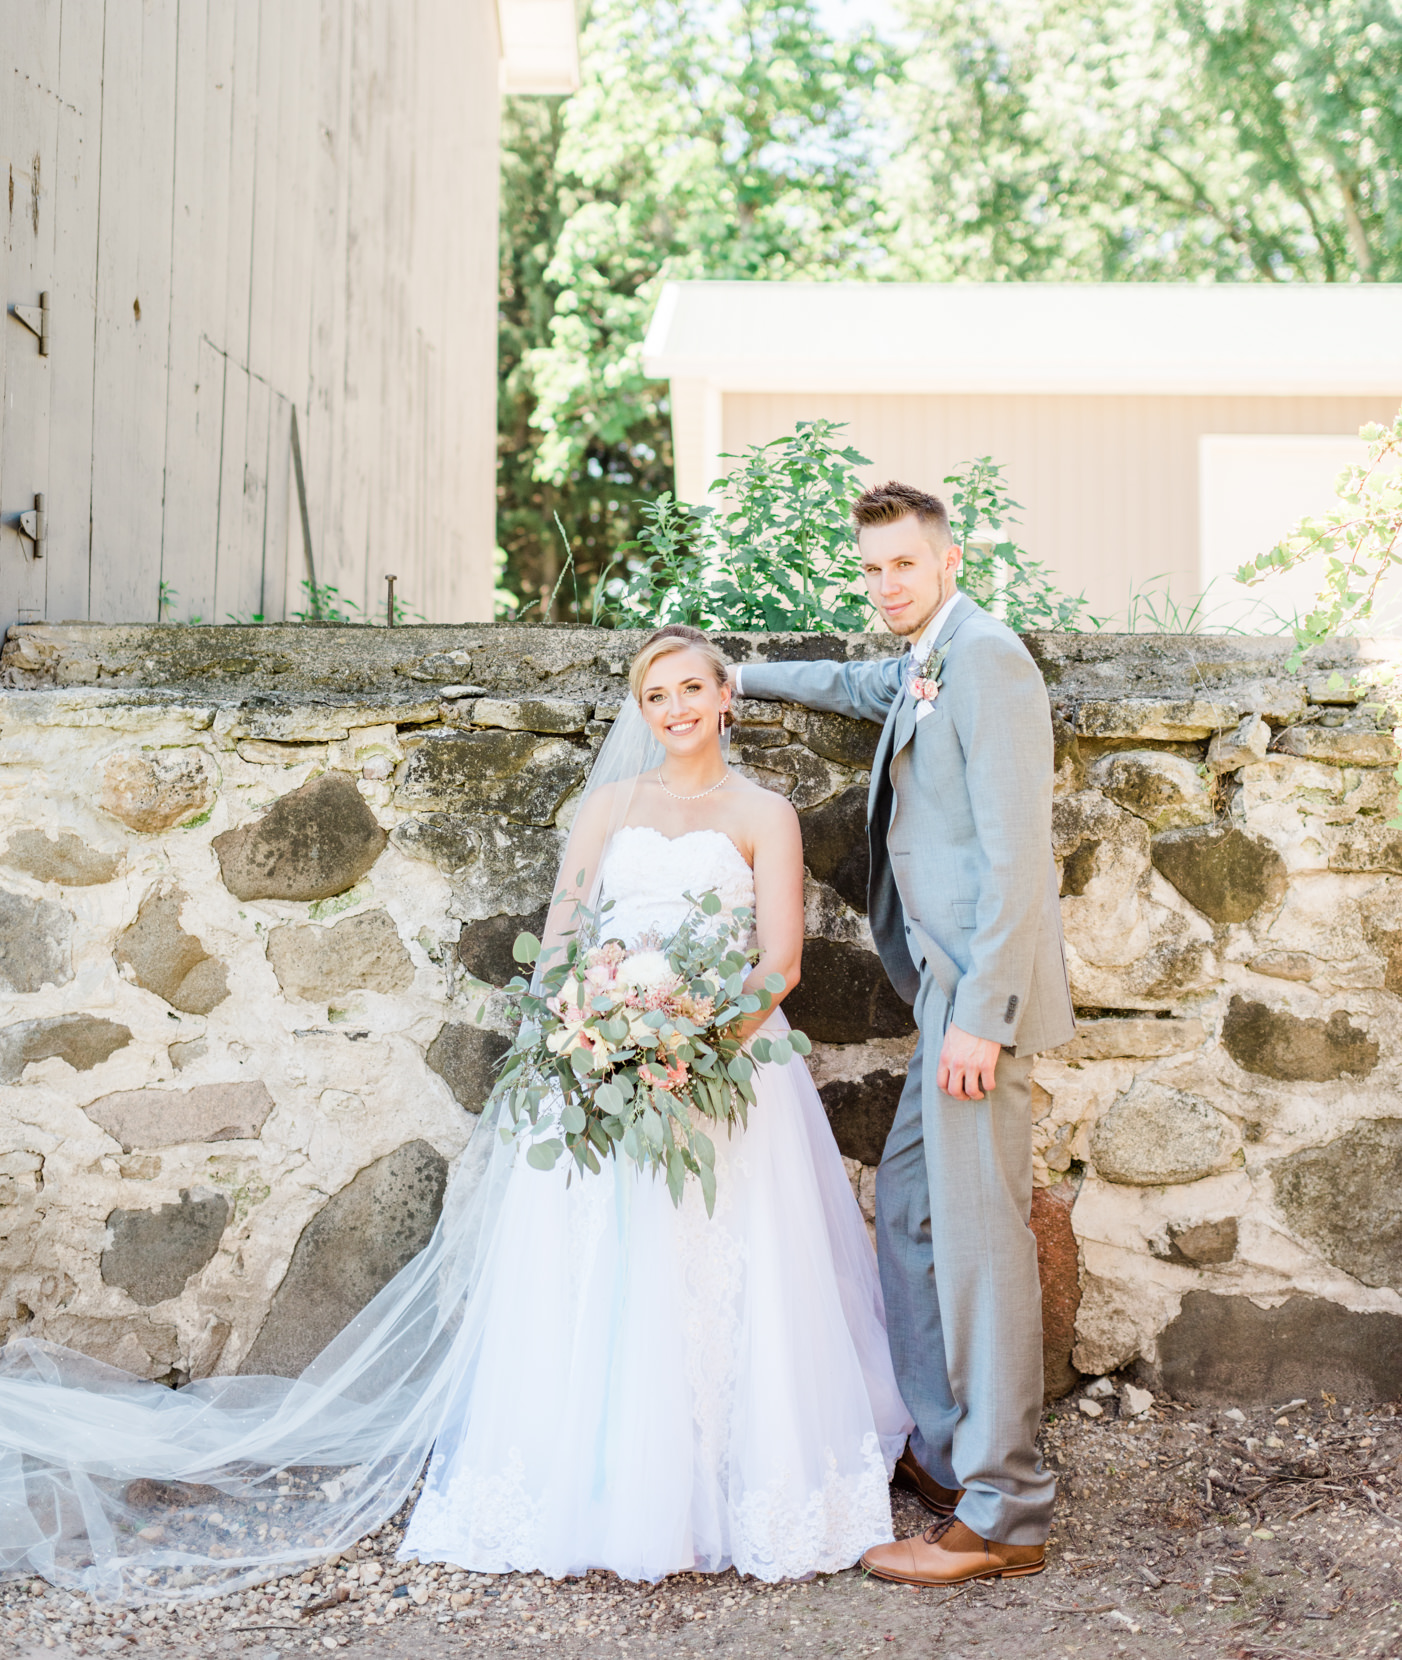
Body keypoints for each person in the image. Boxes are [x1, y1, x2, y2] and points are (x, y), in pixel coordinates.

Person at [0, 627, 910, 1598]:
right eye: (656, 696)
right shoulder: (607, 808)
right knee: (607, 1270)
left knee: (732, 1270)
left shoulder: (764, 813)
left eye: (692, 688)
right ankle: (609, 1487)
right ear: (640, 712)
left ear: (725, 696)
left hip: (729, 1071)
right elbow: (563, 945)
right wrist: (601, 1033)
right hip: (601, 1066)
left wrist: (692, 1043)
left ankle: (736, 1486)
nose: (676, 708)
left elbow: (780, 964)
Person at [732, 480, 1075, 1589]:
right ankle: (941, 1456)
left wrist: (980, 1017)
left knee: (977, 1250)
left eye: (902, 565)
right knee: (915, 1223)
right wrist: (735, 677)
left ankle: (1006, 1512)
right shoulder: (929, 656)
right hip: (938, 1003)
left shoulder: (988, 660)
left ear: (949, 557)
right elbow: (859, 684)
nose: (885, 584)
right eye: (870, 567)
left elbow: (1024, 857)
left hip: (974, 1004)